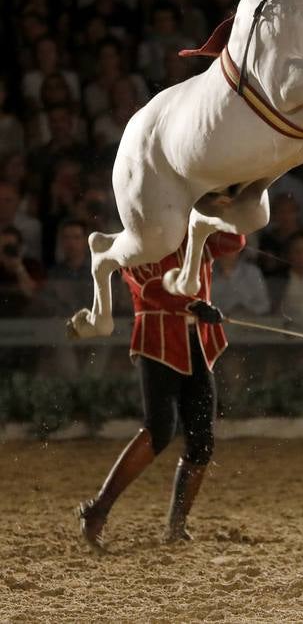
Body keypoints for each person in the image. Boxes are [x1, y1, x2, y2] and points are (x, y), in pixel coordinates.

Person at [77, 230, 245, 550]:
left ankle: (176, 527)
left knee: (202, 440)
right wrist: (195, 303)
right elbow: (149, 289)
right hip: (158, 341)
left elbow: (235, 242)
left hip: (196, 345)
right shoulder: (139, 239)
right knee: (159, 429)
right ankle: (98, 510)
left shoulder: (193, 237)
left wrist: (220, 208)